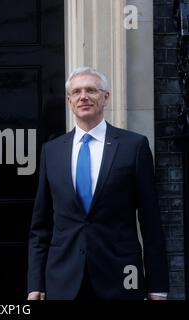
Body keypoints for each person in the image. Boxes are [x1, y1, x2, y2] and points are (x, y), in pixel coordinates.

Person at [27, 67, 169, 300]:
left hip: (121, 275)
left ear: (105, 97)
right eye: (77, 92)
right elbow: (40, 227)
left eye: (91, 90)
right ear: (69, 100)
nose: (83, 96)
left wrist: (157, 286)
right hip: (63, 278)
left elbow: (151, 222)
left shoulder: (134, 147)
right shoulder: (51, 151)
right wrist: (35, 284)